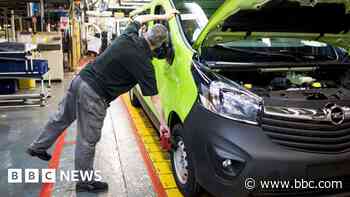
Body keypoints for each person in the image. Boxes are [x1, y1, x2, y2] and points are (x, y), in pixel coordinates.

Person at [26, 9, 179, 193]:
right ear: (159, 46)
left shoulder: (128, 35)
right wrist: (163, 123)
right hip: (94, 95)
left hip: (80, 80)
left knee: (61, 118)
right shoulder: (145, 64)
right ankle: (84, 182)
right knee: (87, 140)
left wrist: (163, 16)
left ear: (146, 33)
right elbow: (155, 98)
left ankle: (37, 146)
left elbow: (138, 18)